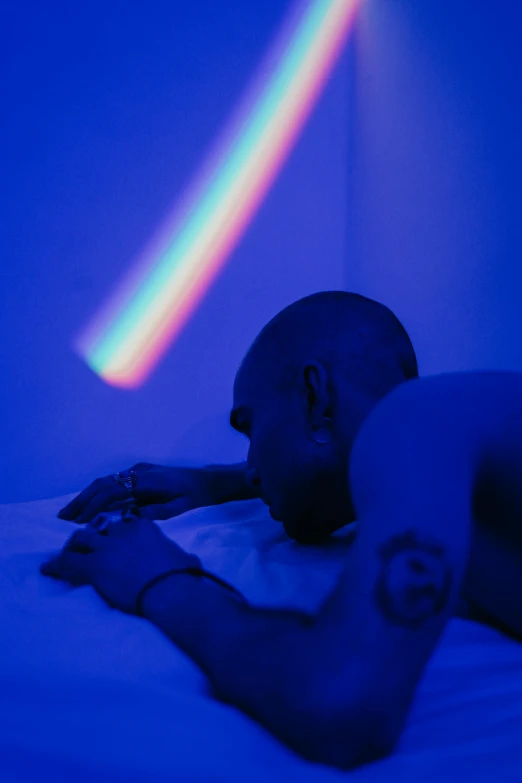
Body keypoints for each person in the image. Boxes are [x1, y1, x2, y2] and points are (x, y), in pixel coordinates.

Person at [41, 292, 522, 770]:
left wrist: (159, 579)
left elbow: (340, 703)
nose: (251, 468)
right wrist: (215, 480)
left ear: (315, 395)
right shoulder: (445, 427)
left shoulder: (414, 419)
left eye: (250, 430)